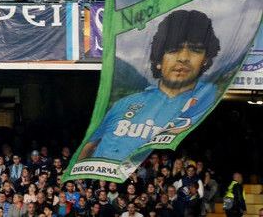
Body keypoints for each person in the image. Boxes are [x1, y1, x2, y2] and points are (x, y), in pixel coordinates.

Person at [75, 9, 220, 165]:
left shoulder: (207, 99)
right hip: (100, 174)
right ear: (158, 60)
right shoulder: (125, 104)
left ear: (205, 59)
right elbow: (90, 144)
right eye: (173, 50)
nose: (183, 58)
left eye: (195, 50)